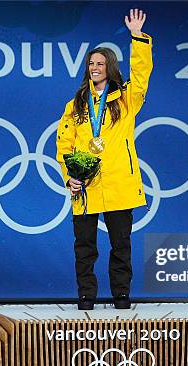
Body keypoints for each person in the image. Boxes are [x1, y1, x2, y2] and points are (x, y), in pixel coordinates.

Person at [56, 9, 152, 310]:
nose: (94, 67)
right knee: (84, 246)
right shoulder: (76, 104)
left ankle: (121, 294)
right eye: (90, 64)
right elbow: (64, 145)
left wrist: (137, 38)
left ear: (109, 67)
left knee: (121, 245)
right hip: (85, 186)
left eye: (100, 63)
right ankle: (86, 295)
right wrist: (68, 176)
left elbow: (141, 74)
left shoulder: (125, 99)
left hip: (120, 184)